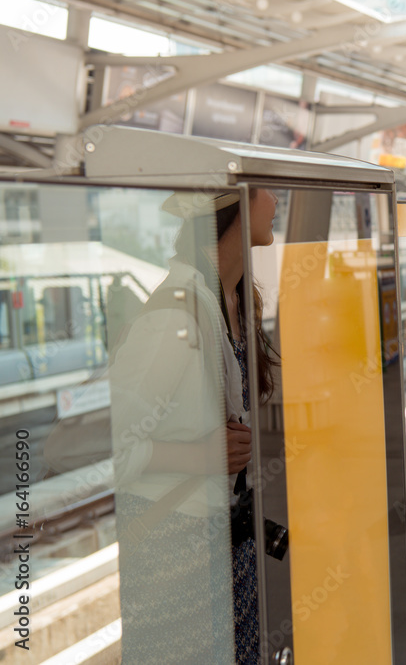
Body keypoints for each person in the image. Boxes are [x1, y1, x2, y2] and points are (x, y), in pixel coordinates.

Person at [110, 188, 278, 664]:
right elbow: (100, 448)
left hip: (219, 544)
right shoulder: (172, 319)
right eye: (262, 188)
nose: (274, 196)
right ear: (233, 206)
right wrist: (199, 457)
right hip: (176, 555)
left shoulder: (230, 303)